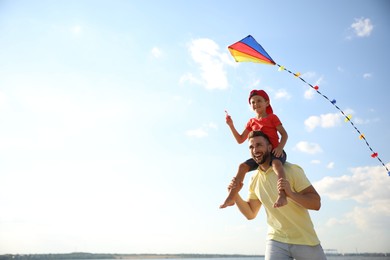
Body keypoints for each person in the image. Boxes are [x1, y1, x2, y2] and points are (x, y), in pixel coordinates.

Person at [228, 130, 327, 260]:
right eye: (251, 147)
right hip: (276, 240)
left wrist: (290, 194)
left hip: (305, 240)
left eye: (259, 145)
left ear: (270, 148)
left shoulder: (290, 170)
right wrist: (235, 195)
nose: (255, 150)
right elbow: (250, 213)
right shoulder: (254, 179)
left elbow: (316, 203)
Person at [220, 89, 288, 209]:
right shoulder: (251, 122)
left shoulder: (272, 117)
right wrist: (231, 125)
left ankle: (282, 194)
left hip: (274, 152)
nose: (256, 104)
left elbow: (284, 134)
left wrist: (280, 148)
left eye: (259, 101)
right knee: (242, 166)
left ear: (267, 103)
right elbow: (240, 139)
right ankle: (231, 197)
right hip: (260, 156)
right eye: (253, 102)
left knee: (277, 164)